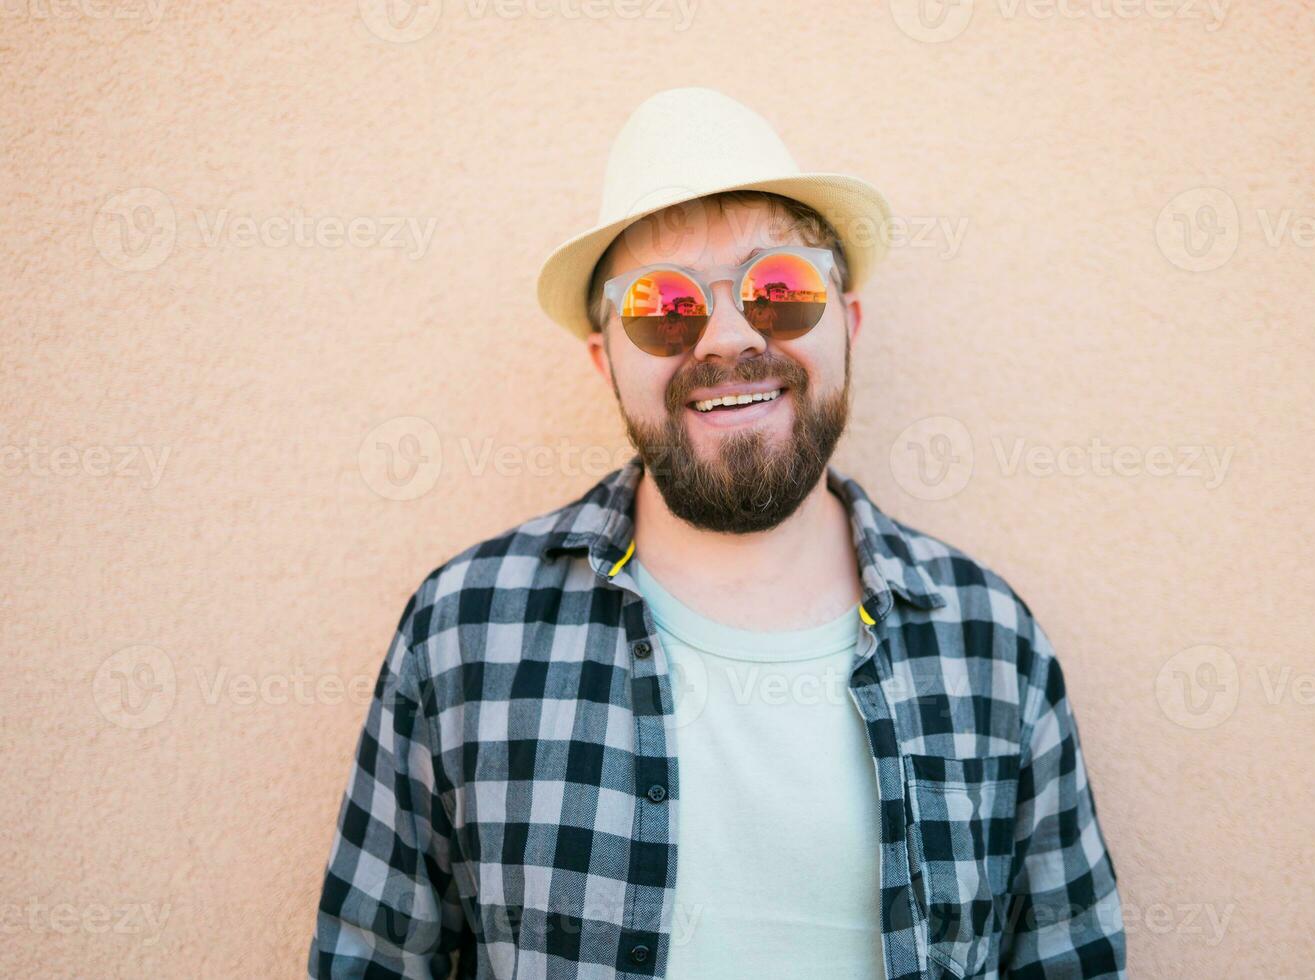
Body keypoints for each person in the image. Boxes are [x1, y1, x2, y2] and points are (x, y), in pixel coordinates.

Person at [309, 86, 1127, 979]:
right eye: (664, 306)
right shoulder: (463, 633)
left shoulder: (990, 644)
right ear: (604, 362)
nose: (727, 337)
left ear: (847, 326)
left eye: (781, 287)